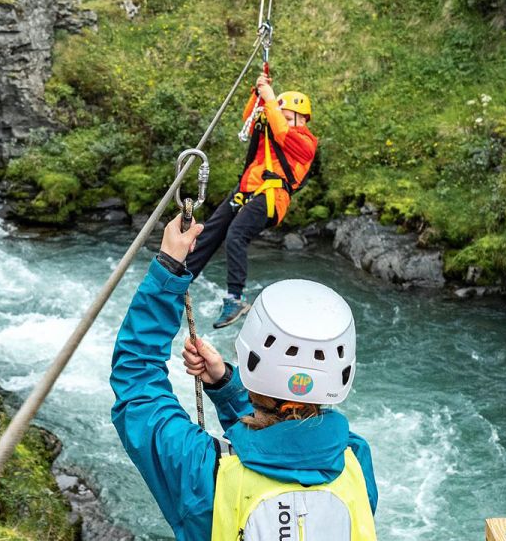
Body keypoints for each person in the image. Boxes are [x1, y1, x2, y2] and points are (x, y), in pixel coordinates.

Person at [110, 216, 378, 540]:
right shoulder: (355, 461)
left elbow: (136, 379)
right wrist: (225, 385)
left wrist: (168, 267)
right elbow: (285, 443)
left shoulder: (204, 471)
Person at [186, 73, 319, 328]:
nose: (286, 122)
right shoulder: (269, 132)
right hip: (247, 190)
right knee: (213, 230)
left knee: (236, 234)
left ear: (302, 119)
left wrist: (271, 100)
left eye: (291, 117)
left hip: (272, 195)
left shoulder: (305, 142)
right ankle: (183, 278)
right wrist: (258, 93)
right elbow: (251, 120)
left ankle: (234, 297)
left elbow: (283, 133)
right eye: (284, 117)